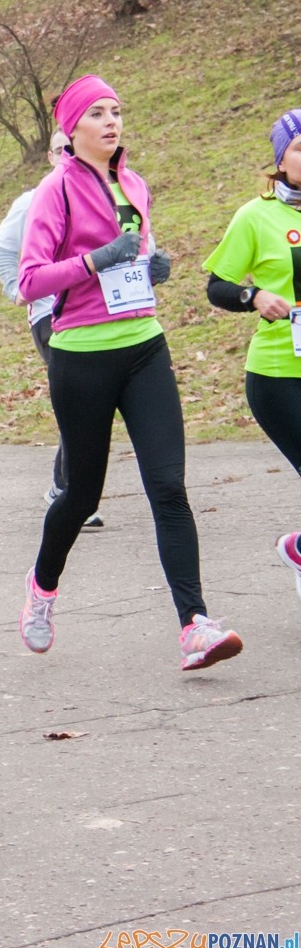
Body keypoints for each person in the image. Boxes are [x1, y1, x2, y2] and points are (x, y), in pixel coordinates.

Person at [17, 75, 241, 670]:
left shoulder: (133, 183)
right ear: (73, 128)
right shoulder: (54, 191)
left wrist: (150, 266)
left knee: (168, 487)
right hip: (82, 358)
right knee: (82, 492)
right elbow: (31, 281)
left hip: (144, 347)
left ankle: (195, 625)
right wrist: (94, 261)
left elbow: (136, 256)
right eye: (97, 113)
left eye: (117, 111)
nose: (112, 122)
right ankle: (42, 591)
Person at [204, 110, 301, 595]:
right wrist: (254, 297)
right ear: (280, 160)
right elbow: (216, 286)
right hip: (279, 375)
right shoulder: (255, 216)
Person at [0, 129, 103, 530]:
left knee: (93, 402)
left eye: (72, 148)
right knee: (81, 399)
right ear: (51, 157)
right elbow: (2, 246)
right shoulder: (34, 199)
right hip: (50, 314)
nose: (67, 155)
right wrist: (13, 288)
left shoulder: (112, 191)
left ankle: (73, 485)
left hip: (102, 314)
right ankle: (67, 487)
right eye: (60, 150)